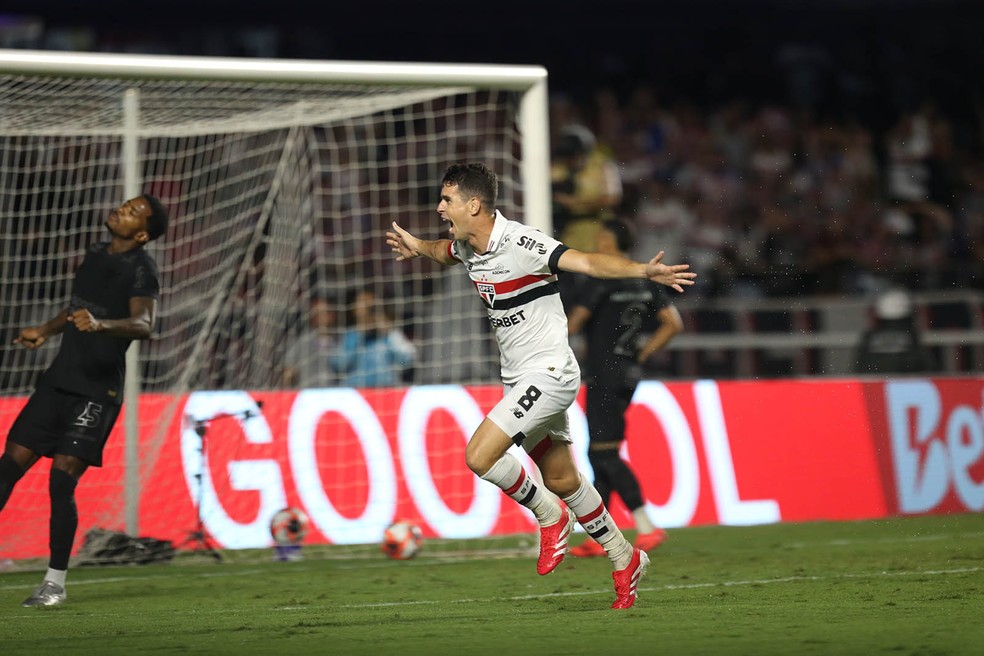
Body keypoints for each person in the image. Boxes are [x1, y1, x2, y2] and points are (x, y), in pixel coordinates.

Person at [386, 163, 695, 609]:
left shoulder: (522, 242)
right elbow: (441, 251)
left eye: (447, 199)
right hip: (519, 376)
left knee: (479, 456)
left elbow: (587, 261)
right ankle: (624, 555)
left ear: (474, 205)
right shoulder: (467, 245)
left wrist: (641, 272)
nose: (440, 207)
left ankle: (549, 516)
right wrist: (417, 247)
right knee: (563, 477)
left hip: (549, 372)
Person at [0, 194, 169, 607]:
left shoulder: (142, 270)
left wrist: (101, 325)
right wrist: (45, 329)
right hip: (58, 381)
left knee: (61, 480)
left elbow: (144, 325)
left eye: (132, 212)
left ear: (142, 233)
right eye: (125, 204)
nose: (121, 210)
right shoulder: (95, 254)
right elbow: (78, 309)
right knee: (7, 469)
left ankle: (54, 583)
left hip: (97, 392)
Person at [565, 218, 684, 558]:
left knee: (603, 453)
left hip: (604, 373)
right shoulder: (645, 280)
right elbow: (673, 324)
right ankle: (600, 536)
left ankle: (646, 526)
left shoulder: (601, 278)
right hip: (629, 372)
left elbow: (575, 323)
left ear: (607, 242)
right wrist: (642, 353)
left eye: (601, 236)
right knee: (599, 451)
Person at [329, 288, 416, 387]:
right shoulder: (348, 336)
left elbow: (407, 360)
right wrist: (360, 335)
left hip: (387, 390)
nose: (368, 307)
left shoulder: (389, 333)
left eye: (371, 304)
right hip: (355, 392)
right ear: (355, 309)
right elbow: (338, 365)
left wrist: (389, 333)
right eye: (363, 303)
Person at [854, 288, 935, 375]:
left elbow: (858, 368)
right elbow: (928, 367)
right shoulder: (912, 335)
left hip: (872, 385)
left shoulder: (869, 336)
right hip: (907, 384)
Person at [281, 293, 340, 389]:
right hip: (308, 394)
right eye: (318, 313)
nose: (323, 317)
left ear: (333, 314)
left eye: (326, 312)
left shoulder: (344, 340)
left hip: (337, 394)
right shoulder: (302, 342)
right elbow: (287, 372)